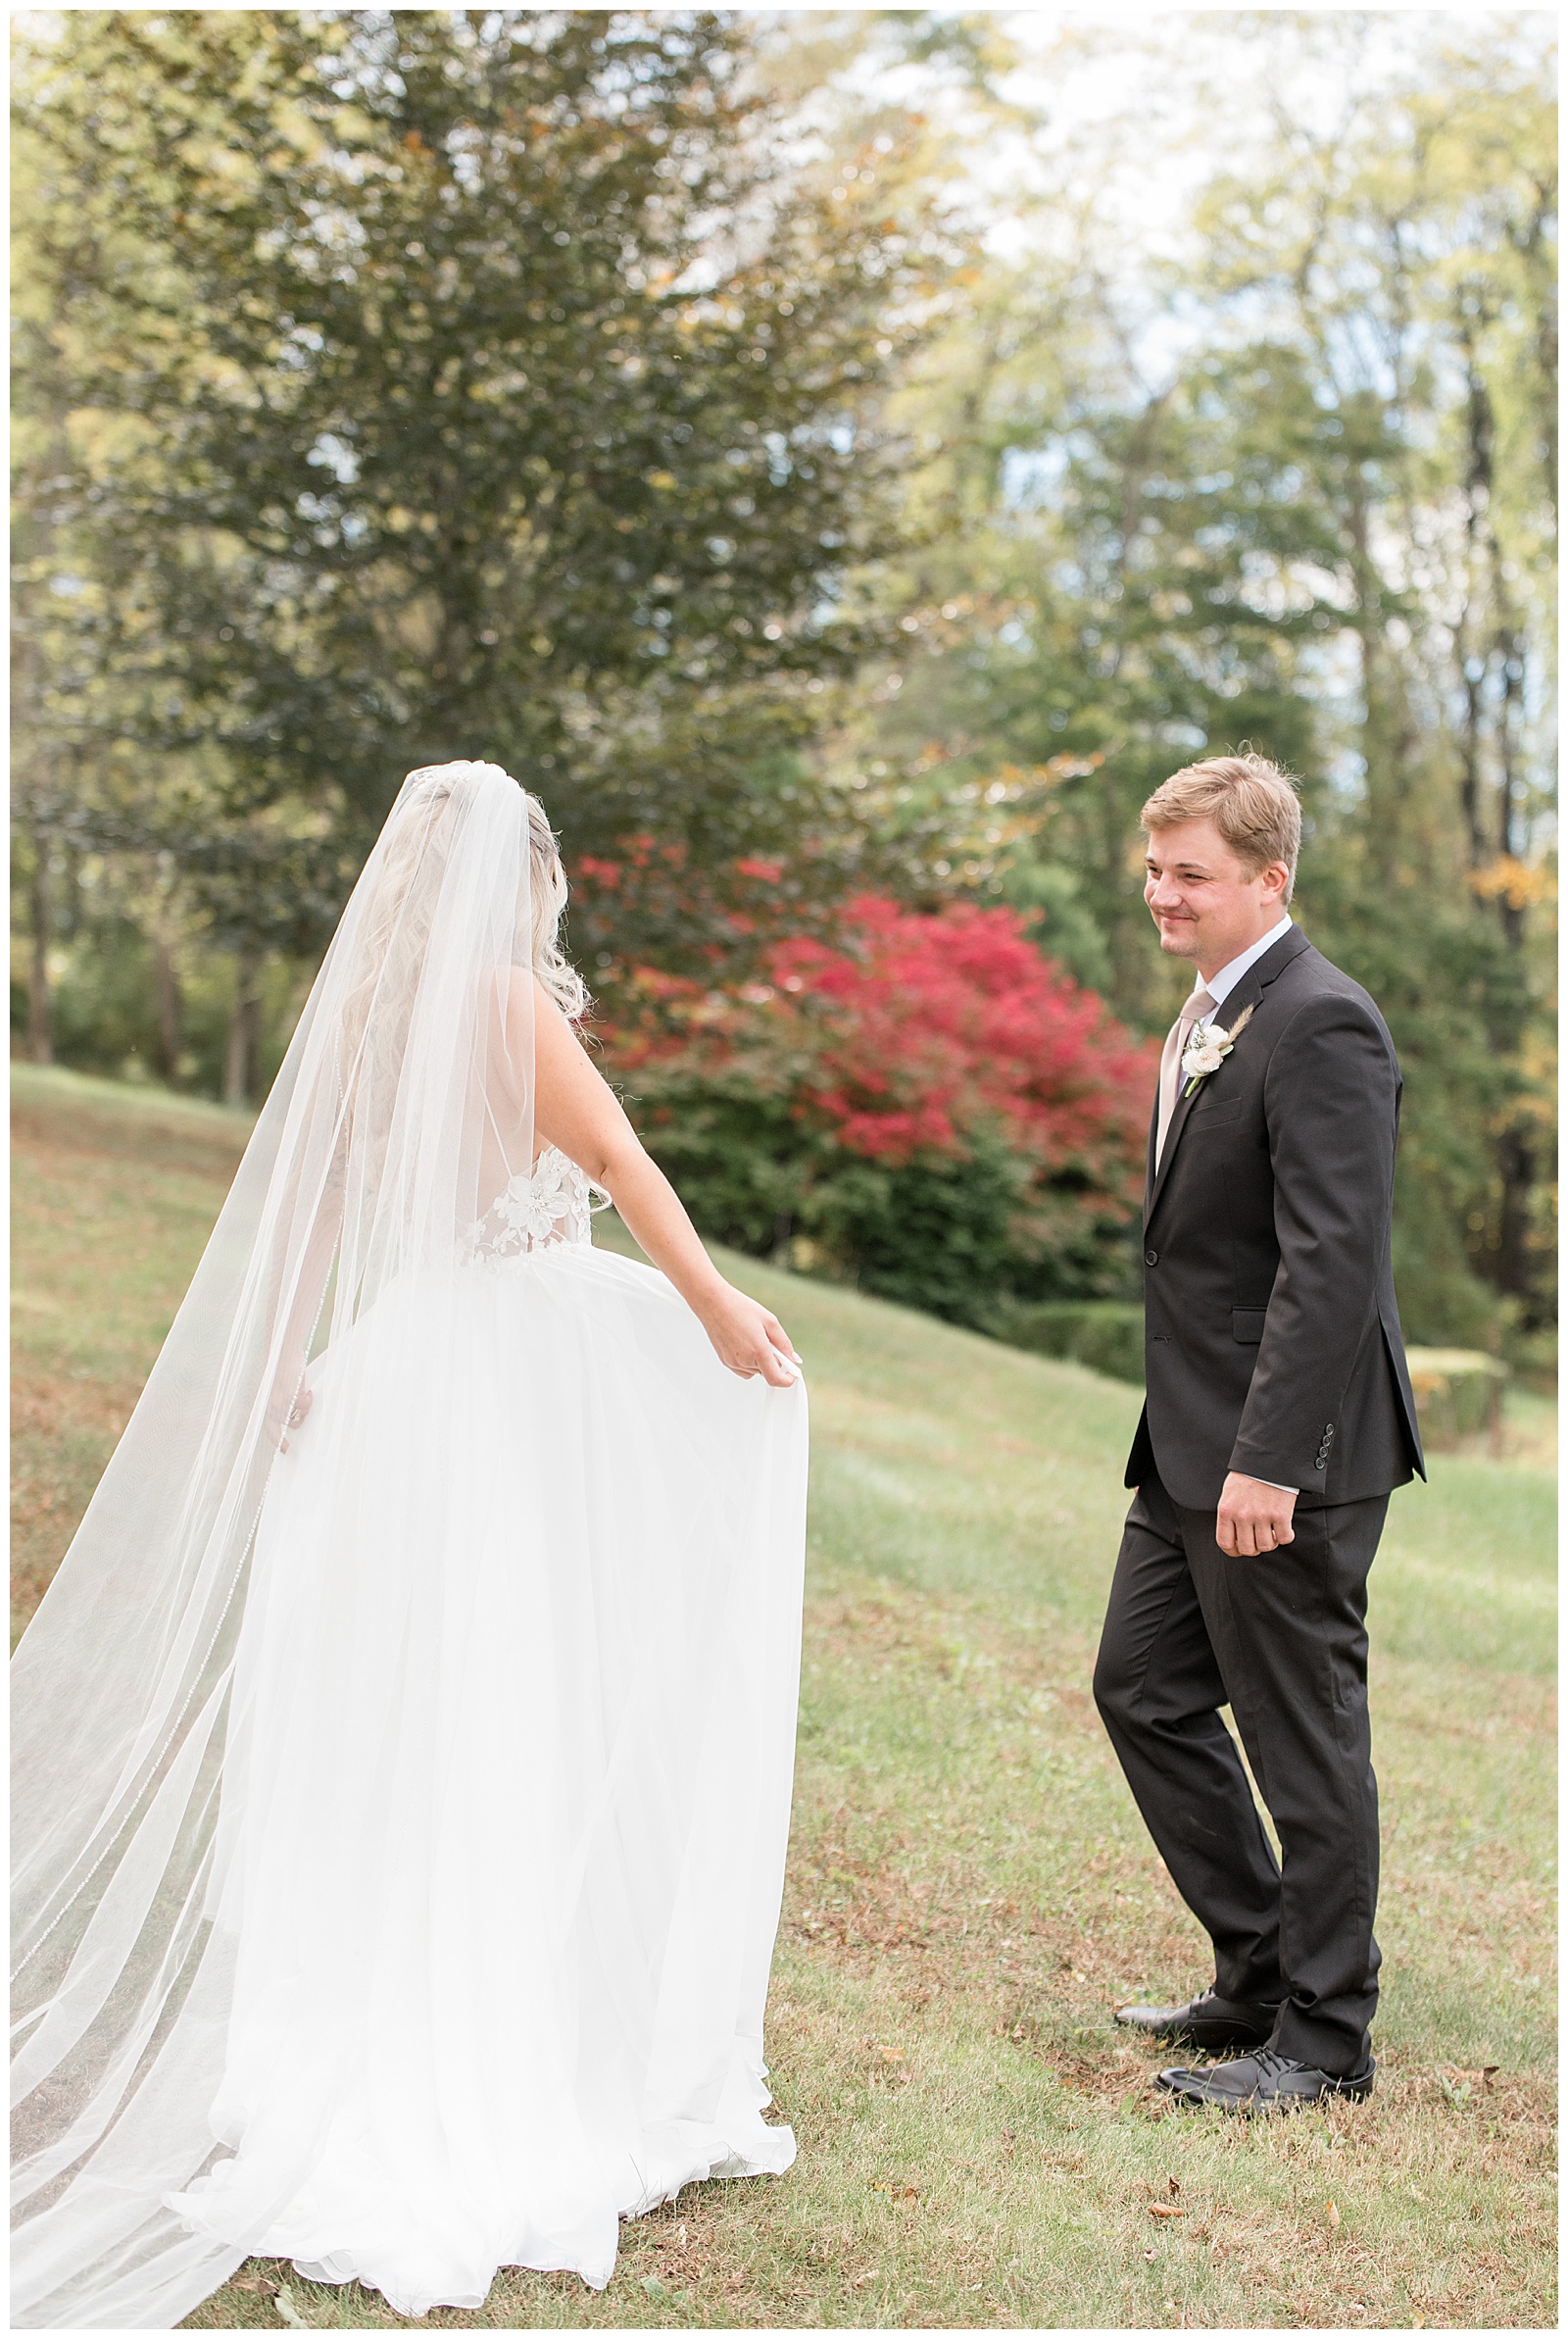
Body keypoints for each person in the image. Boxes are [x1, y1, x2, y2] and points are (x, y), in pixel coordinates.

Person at [12, 762, 808, 2327]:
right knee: (501, 1702)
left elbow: (308, 1221)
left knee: (392, 1718)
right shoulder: (508, 1004)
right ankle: (476, 2043)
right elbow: (626, 1167)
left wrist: (292, 1362)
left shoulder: (368, 1020)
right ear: (510, 881)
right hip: (503, 1386)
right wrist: (716, 1307)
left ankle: (370, 2016)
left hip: (396, 1375)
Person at [1093, 754, 1423, 2113]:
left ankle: (1328, 2037)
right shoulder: (1212, 1011)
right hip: (1189, 1439)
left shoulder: (1323, 1021)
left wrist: (1268, 1459)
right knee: (1144, 1685)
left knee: (1304, 1735)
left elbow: (1331, 1264)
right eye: (1156, 868)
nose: (1163, 893)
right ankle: (1259, 1963)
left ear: (1269, 879)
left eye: (1193, 875)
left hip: (1283, 1457)